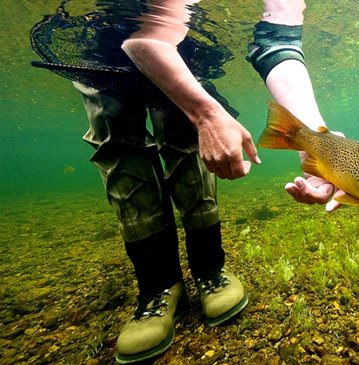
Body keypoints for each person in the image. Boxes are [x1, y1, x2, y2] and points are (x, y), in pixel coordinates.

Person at [31, 0, 340, 363]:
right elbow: (145, 42)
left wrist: (314, 139)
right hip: (103, 38)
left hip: (184, 45)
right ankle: (157, 285)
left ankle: (209, 267)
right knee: (118, 138)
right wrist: (208, 114)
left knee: (184, 137)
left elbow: (275, 44)